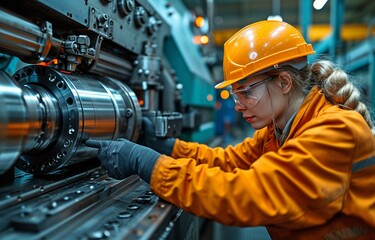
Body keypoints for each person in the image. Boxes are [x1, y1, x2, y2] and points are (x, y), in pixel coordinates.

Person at [85, 20, 375, 239]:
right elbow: (227, 161)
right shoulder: (279, 130)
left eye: (245, 92)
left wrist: (146, 164)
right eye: (235, 95)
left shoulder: (335, 130)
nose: (238, 105)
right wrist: (168, 147)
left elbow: (247, 193)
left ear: (284, 83)